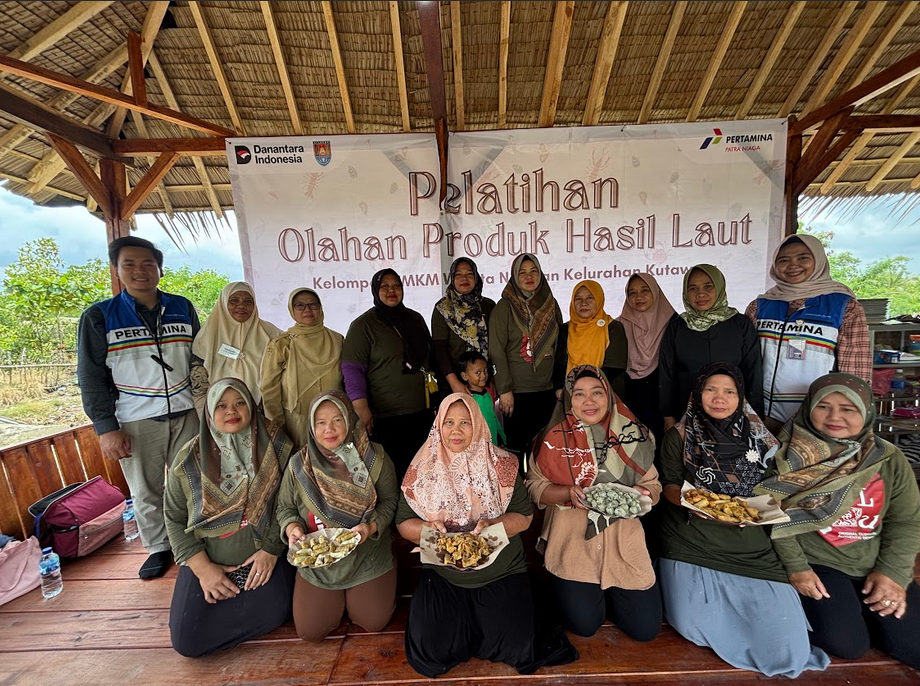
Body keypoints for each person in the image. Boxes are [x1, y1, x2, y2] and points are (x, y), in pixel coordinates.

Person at [656, 362, 829, 677]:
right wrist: (690, 501)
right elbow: (668, 484)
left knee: (788, 648)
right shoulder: (679, 436)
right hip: (693, 540)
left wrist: (760, 509)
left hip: (751, 546)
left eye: (729, 392)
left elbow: (776, 493)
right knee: (692, 623)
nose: (719, 398)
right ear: (697, 394)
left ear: (741, 397)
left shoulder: (762, 440)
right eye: (710, 390)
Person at [757, 373, 920, 670]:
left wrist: (892, 573)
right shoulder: (785, 455)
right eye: (823, 406)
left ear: (867, 411)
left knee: (913, 644)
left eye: (848, 409)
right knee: (847, 644)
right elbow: (769, 511)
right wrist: (797, 568)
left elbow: (906, 520)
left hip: (873, 561)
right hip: (818, 563)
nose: (834, 417)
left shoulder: (888, 458)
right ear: (808, 407)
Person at [396, 394, 547, 677]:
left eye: (465, 422)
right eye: (449, 422)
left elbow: (524, 517)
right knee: (431, 649)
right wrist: (430, 530)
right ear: (438, 425)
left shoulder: (503, 464)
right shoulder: (422, 468)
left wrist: (493, 524)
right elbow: (404, 522)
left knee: (518, 646)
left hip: (500, 570)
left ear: (478, 423)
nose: (456, 430)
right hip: (444, 572)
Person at [77, 236, 201, 579]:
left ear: (159, 269)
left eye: (148, 263)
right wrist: (106, 427)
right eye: (129, 264)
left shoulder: (182, 307)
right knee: (146, 489)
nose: (139, 271)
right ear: (116, 270)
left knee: (193, 481)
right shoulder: (100, 316)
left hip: (187, 411)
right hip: (135, 417)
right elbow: (90, 375)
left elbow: (198, 359)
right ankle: (159, 547)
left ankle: (194, 539)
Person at [527, 365, 662, 641]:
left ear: (609, 396)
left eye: (597, 393)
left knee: (645, 630)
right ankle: (586, 594)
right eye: (579, 394)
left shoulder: (633, 435)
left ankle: (605, 592)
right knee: (585, 624)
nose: (589, 401)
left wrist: (642, 493)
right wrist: (567, 493)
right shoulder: (550, 439)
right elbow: (534, 487)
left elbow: (654, 485)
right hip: (573, 544)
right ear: (568, 399)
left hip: (624, 545)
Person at [164, 378, 296, 657]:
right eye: (221, 406)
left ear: (251, 406)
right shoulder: (188, 458)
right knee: (188, 641)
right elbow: (174, 517)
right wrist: (203, 570)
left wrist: (271, 551)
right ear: (209, 411)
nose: (231, 411)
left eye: (239, 403)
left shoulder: (277, 446)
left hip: (264, 554)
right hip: (209, 557)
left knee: (276, 613)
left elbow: (289, 503)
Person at [277, 390, 398, 641]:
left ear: (350, 420)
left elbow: (390, 502)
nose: (329, 429)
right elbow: (285, 508)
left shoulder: (374, 458)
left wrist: (371, 527)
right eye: (320, 422)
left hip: (366, 557)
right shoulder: (299, 465)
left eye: (337, 420)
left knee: (373, 621)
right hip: (318, 563)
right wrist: (292, 528)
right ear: (311, 427)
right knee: (311, 631)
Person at [745, 234, 871, 432]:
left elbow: (854, 376)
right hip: (762, 416)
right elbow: (746, 360)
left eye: (803, 258)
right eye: (783, 260)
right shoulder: (760, 306)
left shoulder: (844, 307)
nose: (793, 265)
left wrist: (843, 418)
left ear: (819, 260)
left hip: (817, 419)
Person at [342, 269, 433, 478]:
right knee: (390, 474)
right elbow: (352, 369)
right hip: (385, 417)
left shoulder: (415, 319)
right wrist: (361, 407)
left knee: (421, 472)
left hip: (421, 412)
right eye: (385, 286)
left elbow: (430, 358)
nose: (391, 290)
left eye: (396, 286)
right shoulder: (363, 325)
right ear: (376, 290)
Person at [659, 264, 763, 432]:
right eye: (693, 288)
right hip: (686, 413)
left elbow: (753, 371)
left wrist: (755, 417)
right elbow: (667, 373)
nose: (700, 294)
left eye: (708, 286)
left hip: (732, 414)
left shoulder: (740, 324)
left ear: (720, 287)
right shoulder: (677, 326)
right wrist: (668, 416)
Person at [489, 254, 562, 466]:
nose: (529, 277)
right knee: (516, 451)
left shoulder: (550, 304)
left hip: (546, 391)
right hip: (517, 393)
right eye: (522, 272)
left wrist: (558, 385)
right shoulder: (505, 308)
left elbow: (559, 347)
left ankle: (542, 487)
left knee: (545, 450)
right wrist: (504, 390)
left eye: (533, 271)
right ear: (514, 276)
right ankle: (520, 487)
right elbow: (496, 350)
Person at [261, 288, 343, 448]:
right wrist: (277, 425)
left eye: (313, 304)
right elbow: (269, 388)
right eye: (300, 305)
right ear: (292, 310)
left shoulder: (337, 340)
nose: (307, 310)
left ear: (320, 307)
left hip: (334, 417)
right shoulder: (282, 344)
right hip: (296, 421)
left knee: (334, 457)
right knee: (301, 459)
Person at [191, 281, 281, 410]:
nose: (241, 306)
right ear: (223, 302)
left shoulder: (270, 333)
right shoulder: (208, 336)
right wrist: (207, 414)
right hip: (219, 409)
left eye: (248, 301)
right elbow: (198, 381)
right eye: (234, 300)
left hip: (263, 408)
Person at [618, 273, 675, 441]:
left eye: (645, 290)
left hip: (664, 407)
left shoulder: (673, 324)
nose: (639, 297)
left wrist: (669, 413)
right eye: (632, 293)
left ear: (655, 292)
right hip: (630, 404)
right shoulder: (617, 326)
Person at [431, 257, 496, 395]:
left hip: (483, 381)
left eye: (469, 274)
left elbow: (496, 346)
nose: (464, 278)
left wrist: (492, 377)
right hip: (453, 384)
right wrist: (454, 383)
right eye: (458, 274)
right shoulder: (443, 309)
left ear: (476, 277)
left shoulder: (488, 306)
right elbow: (439, 349)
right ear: (452, 278)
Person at [555, 280, 629, 400]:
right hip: (570, 395)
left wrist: (587, 390)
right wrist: (560, 388)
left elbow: (615, 367)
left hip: (605, 394)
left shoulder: (613, 327)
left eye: (590, 298)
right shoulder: (564, 329)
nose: (584, 303)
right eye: (578, 299)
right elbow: (558, 364)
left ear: (599, 300)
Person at [458, 351, 505, 445]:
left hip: (493, 442)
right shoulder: (465, 398)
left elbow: (493, 417)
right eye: (478, 372)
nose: (484, 375)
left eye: (485, 370)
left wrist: (500, 435)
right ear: (465, 376)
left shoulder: (489, 393)